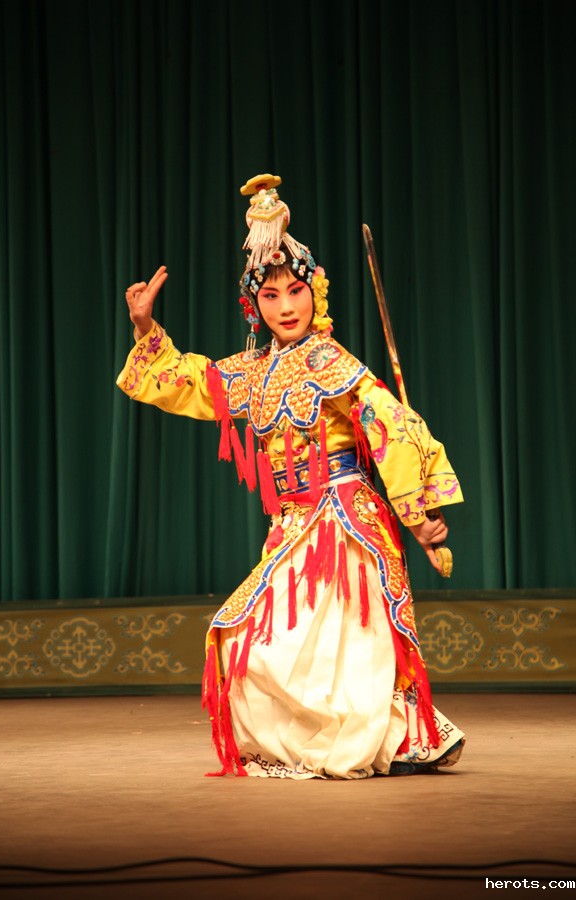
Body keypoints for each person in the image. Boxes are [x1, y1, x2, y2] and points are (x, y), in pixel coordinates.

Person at [117, 174, 465, 779]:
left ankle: (391, 739)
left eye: (296, 291)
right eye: (272, 295)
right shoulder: (253, 370)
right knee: (260, 644)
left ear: (314, 293)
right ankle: (380, 740)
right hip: (292, 525)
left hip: (343, 521)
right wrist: (147, 328)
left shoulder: (329, 359)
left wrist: (418, 512)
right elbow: (188, 381)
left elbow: (390, 424)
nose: (286, 306)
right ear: (255, 306)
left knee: (338, 649)